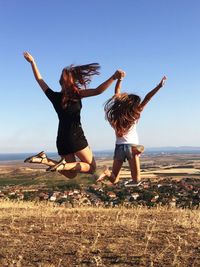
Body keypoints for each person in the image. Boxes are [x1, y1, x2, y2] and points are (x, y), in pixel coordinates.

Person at [23, 51, 125, 178]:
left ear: (60, 82)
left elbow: (40, 80)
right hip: (75, 135)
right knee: (92, 168)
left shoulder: (54, 97)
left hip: (61, 138)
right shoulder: (77, 94)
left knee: (71, 174)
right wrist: (114, 77)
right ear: (72, 82)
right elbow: (98, 91)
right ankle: (63, 165)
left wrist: (33, 62)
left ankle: (44, 160)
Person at [97, 75, 167, 186]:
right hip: (132, 148)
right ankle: (139, 152)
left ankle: (106, 172)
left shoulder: (116, 116)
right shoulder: (134, 114)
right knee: (137, 180)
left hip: (119, 147)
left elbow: (117, 93)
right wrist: (159, 86)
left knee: (114, 179)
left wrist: (120, 80)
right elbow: (147, 98)